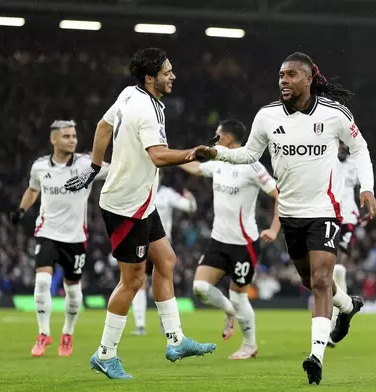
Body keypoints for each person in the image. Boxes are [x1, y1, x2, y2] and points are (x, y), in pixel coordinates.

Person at [188, 52, 376, 385]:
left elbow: (360, 149)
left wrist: (367, 188)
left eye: (291, 75)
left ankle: (316, 356)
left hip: (324, 211)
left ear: (308, 78)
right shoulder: (267, 117)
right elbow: (248, 154)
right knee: (309, 280)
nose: (284, 81)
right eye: (280, 75)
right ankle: (348, 306)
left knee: (320, 281)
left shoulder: (334, 115)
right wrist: (217, 153)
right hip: (290, 215)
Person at [64, 47, 216, 380]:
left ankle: (176, 340)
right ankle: (105, 354)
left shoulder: (129, 94)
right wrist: (192, 153)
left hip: (143, 203)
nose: (173, 76)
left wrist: (93, 166)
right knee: (132, 281)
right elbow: (159, 157)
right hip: (125, 208)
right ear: (151, 78)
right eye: (167, 72)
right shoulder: (146, 110)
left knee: (167, 261)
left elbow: (103, 128)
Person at [180, 119, 280, 360]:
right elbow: (195, 168)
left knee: (239, 295)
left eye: (217, 135)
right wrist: (163, 156)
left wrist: (275, 229)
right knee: (200, 288)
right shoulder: (217, 160)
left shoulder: (252, 165)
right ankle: (228, 311)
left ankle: (250, 345)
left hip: (244, 243)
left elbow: (279, 194)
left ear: (227, 137)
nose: (215, 139)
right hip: (218, 240)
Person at [11, 120, 109, 358]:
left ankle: (67, 333)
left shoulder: (88, 164)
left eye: (74, 135)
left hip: (75, 238)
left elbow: (116, 169)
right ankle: (43, 333)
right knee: (42, 282)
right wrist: (22, 210)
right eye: (66, 136)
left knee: (73, 291)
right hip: (47, 233)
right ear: (53, 139)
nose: (72, 140)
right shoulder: (40, 167)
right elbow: (33, 189)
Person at [130, 172, 197, 336]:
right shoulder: (138, 192)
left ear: (160, 177)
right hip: (141, 243)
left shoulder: (167, 194)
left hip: (162, 245)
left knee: (162, 282)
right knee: (140, 281)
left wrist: (191, 199)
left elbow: (190, 208)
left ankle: (165, 322)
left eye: (157, 174)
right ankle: (140, 325)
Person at [328, 141, 361, 348]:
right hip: (328, 215)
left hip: (348, 217)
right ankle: (338, 317)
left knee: (338, 267)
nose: (340, 148)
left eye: (343, 144)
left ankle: (334, 323)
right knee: (331, 271)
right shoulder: (325, 160)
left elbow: (364, 187)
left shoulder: (355, 164)